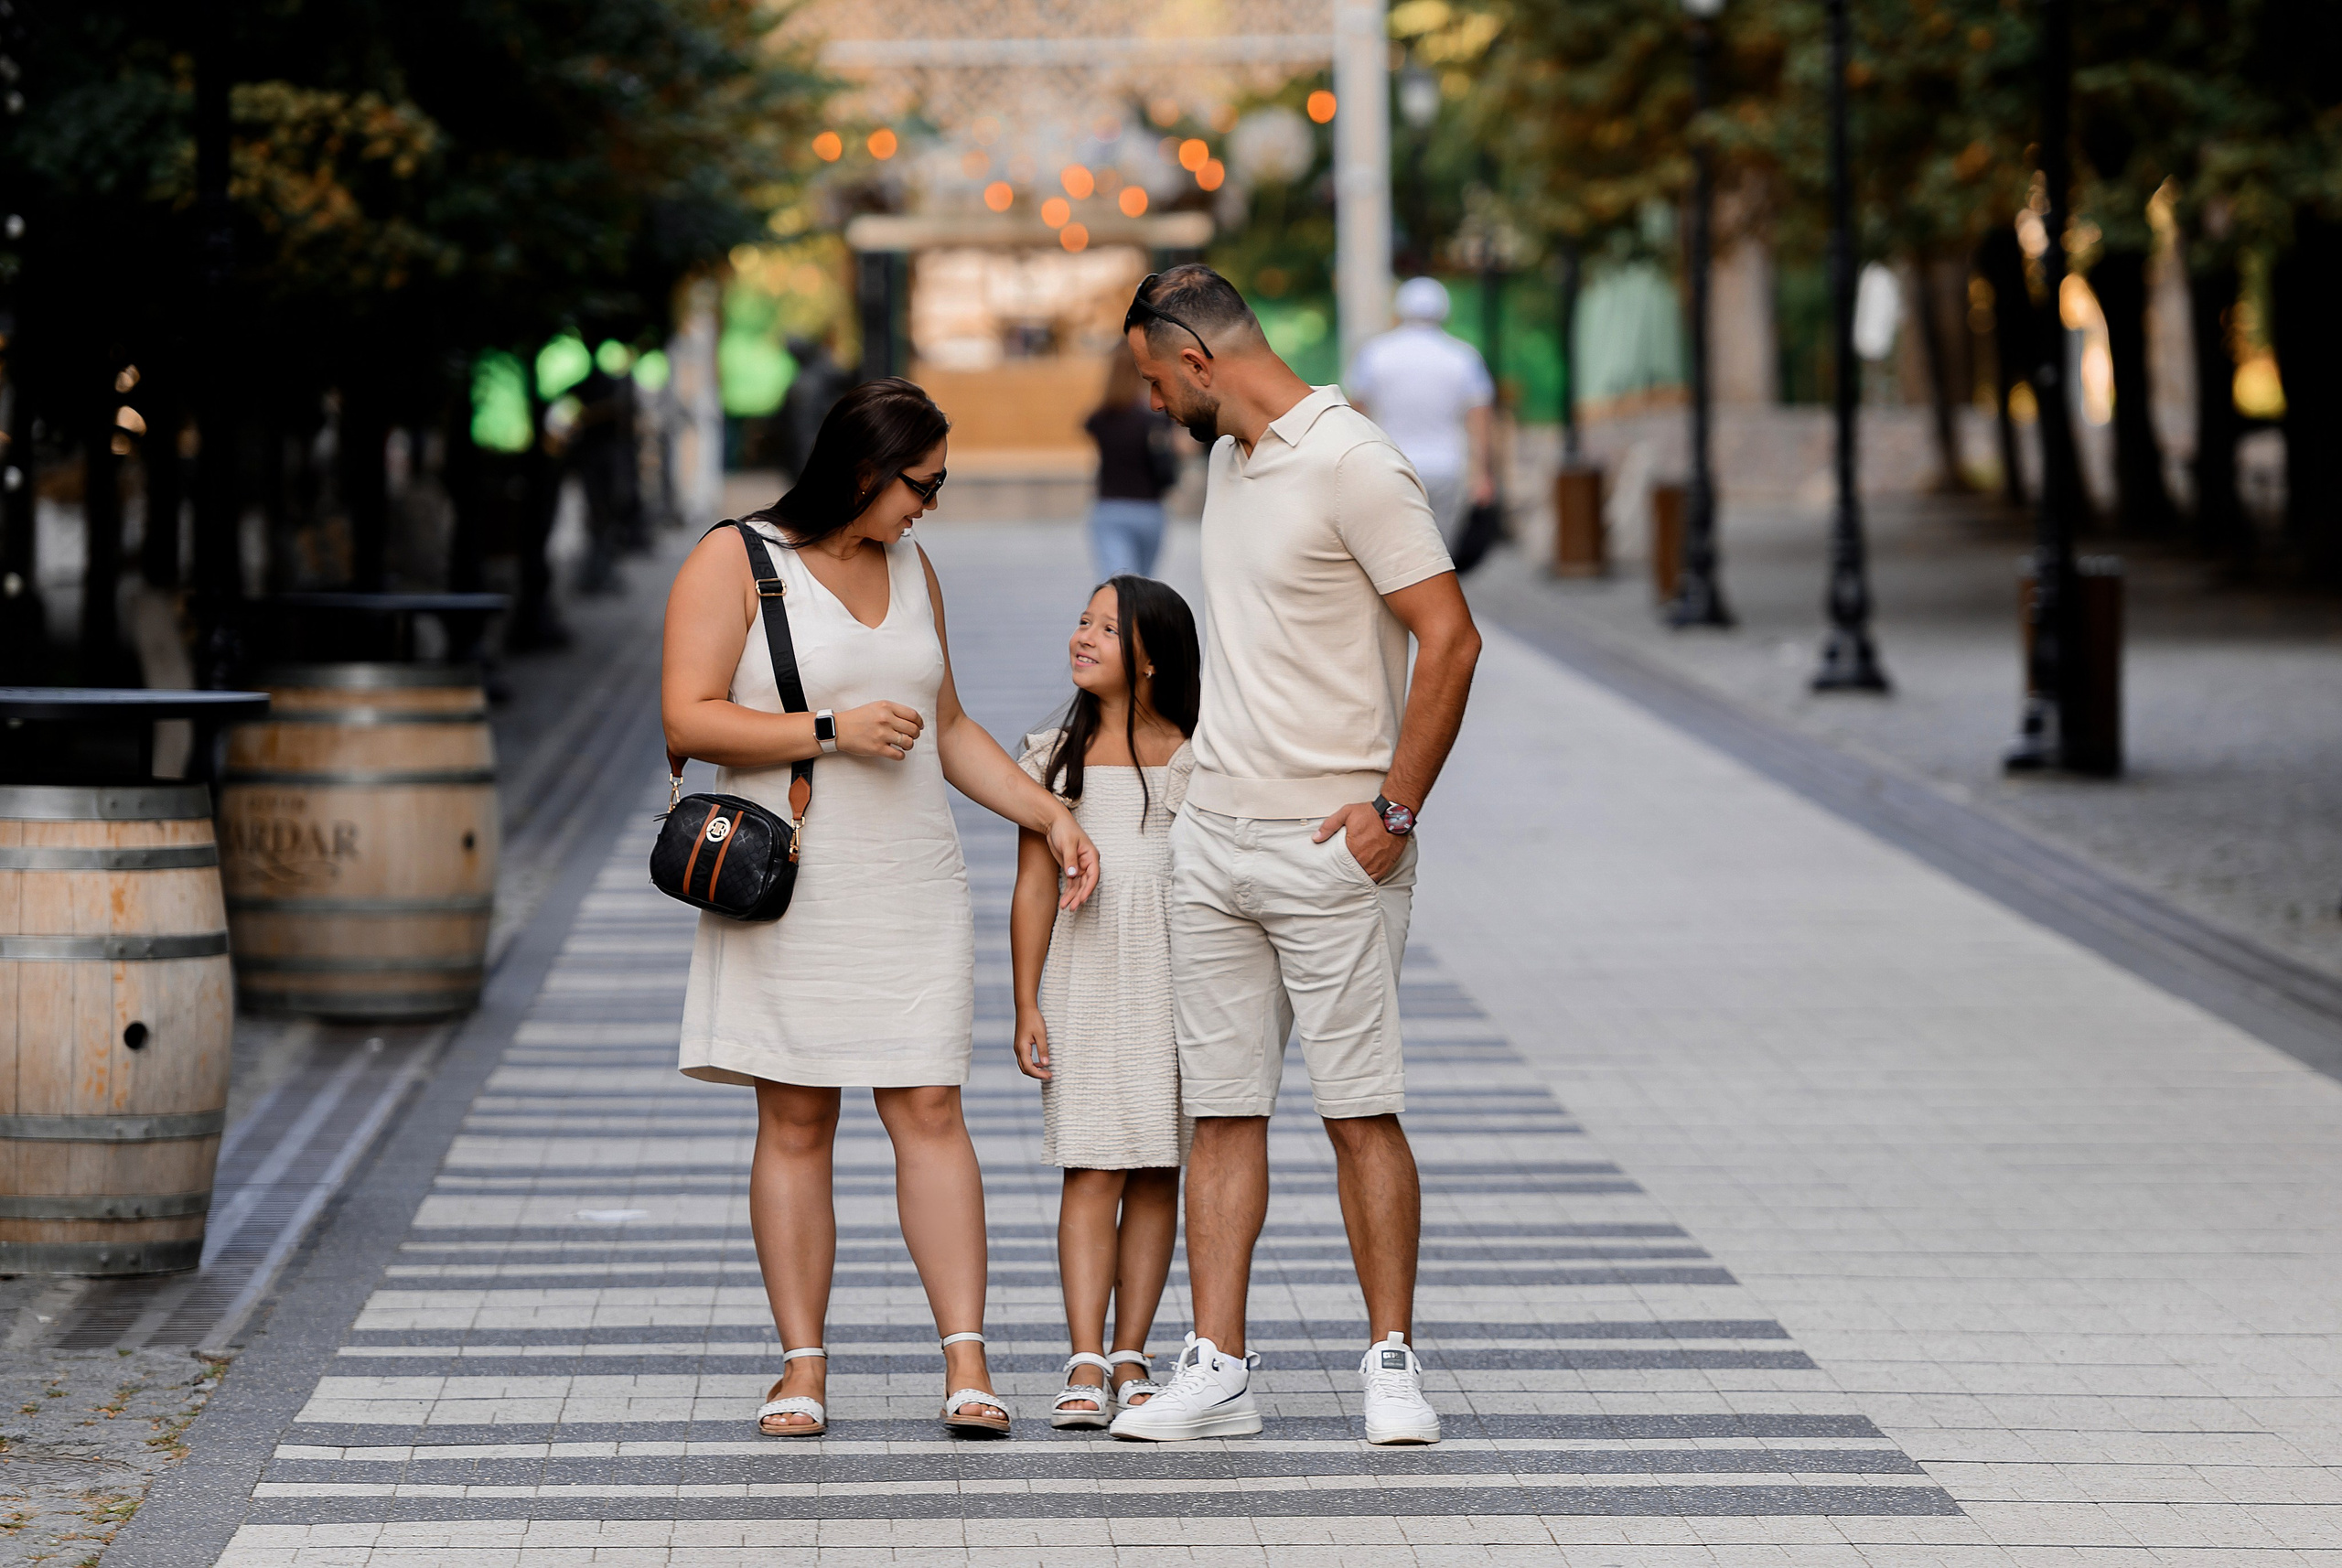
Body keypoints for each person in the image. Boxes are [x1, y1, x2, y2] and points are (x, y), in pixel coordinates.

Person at [661, 377, 1101, 1442]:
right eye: (923, 484)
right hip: (791, 881)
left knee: (931, 1110)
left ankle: (967, 1363)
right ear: (863, 471)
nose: (930, 505)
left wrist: (1047, 812)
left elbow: (948, 728)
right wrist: (831, 729)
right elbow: (685, 718)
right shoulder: (736, 557)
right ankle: (801, 1366)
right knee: (795, 1118)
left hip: (910, 878)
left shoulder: (912, 564)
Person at [1106, 265, 1483, 1447]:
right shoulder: (1230, 458)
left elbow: (1451, 638)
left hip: (1334, 846)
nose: (1154, 404)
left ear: (1200, 362)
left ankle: (1392, 1362)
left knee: (1359, 1109)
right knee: (1222, 1114)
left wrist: (1394, 810)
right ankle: (1217, 1369)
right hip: (1214, 840)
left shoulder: (1355, 461)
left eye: (1156, 381)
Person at [1009, 575, 1202, 1428]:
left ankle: (1132, 1353)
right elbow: (1031, 888)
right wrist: (1026, 1002)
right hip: (1084, 980)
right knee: (1091, 1165)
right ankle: (1085, 1357)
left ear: (1153, 658)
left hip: (1176, 984)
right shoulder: (1054, 758)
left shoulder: (1199, 758)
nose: (1083, 636)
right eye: (1082, 621)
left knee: (1158, 1166)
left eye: (1108, 628)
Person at [1344, 276, 1496, 551]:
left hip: (1390, 466)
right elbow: (1480, 417)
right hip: (1447, 467)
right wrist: (1482, 474)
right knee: (1439, 552)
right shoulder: (1463, 356)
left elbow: (1355, 412)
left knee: (1393, 552)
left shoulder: (1374, 354)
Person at [1082, 342, 1182, 578]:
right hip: (1150, 509)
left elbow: (1089, 425)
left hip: (1110, 507)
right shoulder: (1155, 419)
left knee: (1120, 586)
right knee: (1142, 587)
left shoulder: (1101, 418)